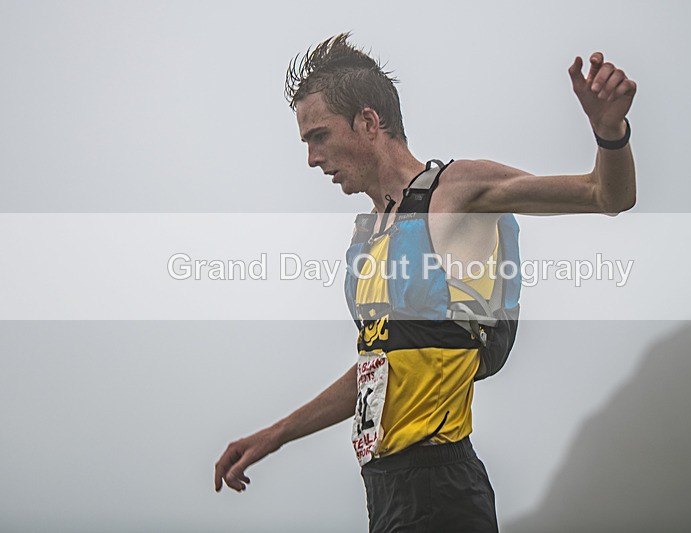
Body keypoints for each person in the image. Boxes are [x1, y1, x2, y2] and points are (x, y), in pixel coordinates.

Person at [214, 33, 636, 531]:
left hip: (443, 492)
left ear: (369, 122)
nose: (310, 157)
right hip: (386, 494)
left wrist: (610, 132)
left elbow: (605, 195)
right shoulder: (370, 234)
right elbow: (381, 368)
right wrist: (275, 435)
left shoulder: (455, 191)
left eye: (318, 136)